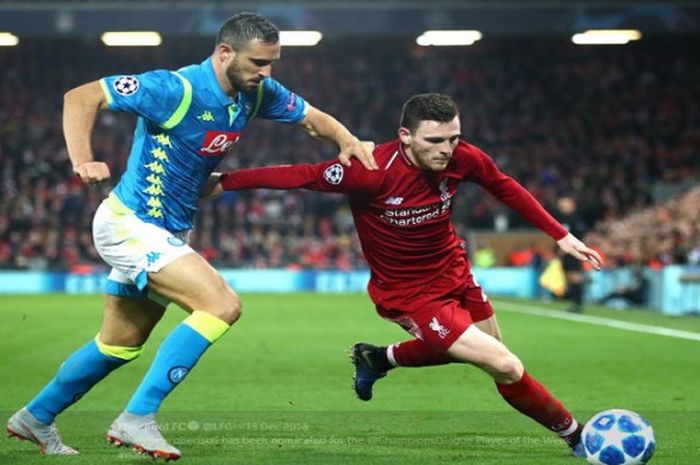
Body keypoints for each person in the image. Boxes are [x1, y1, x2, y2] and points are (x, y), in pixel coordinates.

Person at [6, 12, 375, 460]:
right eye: (259, 62)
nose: (267, 72)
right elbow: (81, 97)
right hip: (131, 224)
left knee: (118, 345)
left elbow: (312, 119)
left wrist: (348, 140)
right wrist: (83, 159)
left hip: (167, 230)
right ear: (225, 53)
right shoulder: (174, 89)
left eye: (272, 62)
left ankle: (36, 417)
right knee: (221, 305)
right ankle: (137, 418)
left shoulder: (254, 94)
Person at [213, 93, 603, 457]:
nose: (447, 149)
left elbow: (504, 187)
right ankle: (577, 436)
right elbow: (298, 175)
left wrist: (562, 235)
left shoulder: (464, 158)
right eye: (435, 140)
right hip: (409, 293)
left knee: (490, 350)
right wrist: (223, 182)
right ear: (405, 136)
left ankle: (380, 358)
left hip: (455, 271)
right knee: (505, 365)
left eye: (453, 138)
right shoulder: (369, 171)